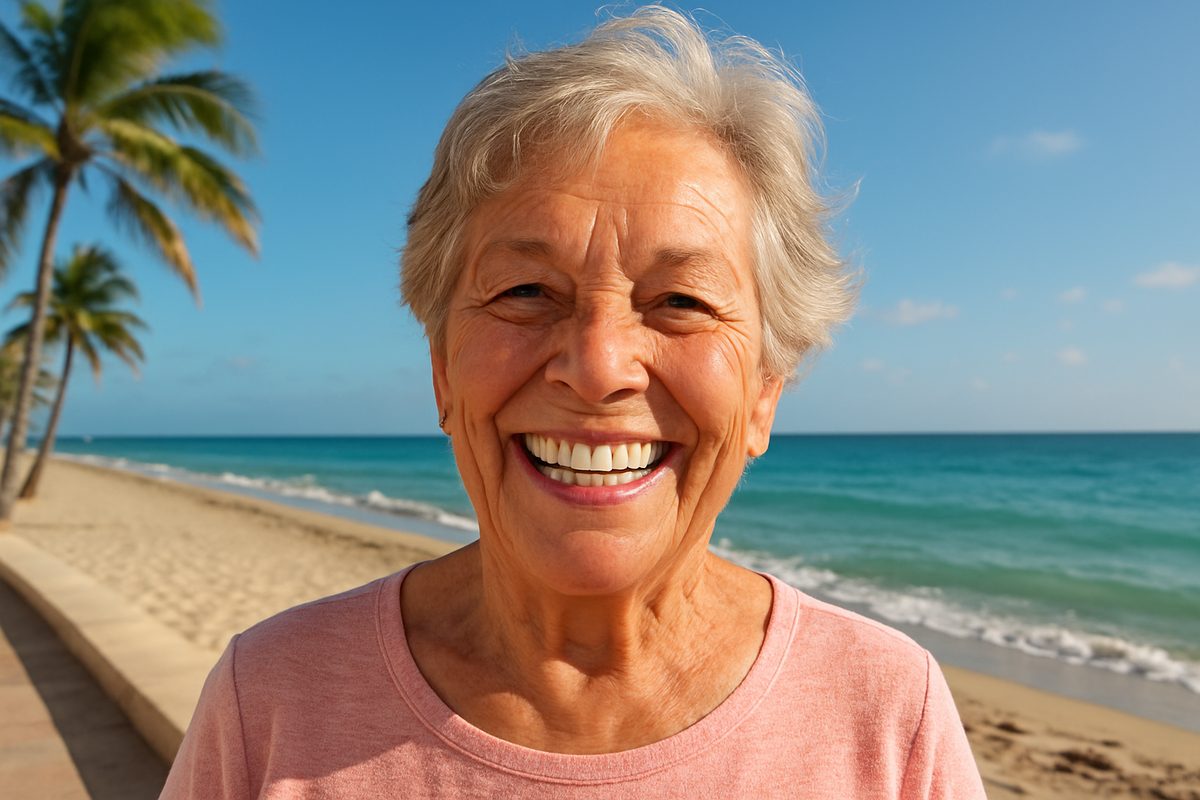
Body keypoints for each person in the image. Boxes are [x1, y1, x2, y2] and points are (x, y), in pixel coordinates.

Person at [161, 7, 986, 798]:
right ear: (443, 369)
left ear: (765, 391)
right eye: (526, 291)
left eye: (681, 302)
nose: (598, 367)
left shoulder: (886, 713)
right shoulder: (271, 697)